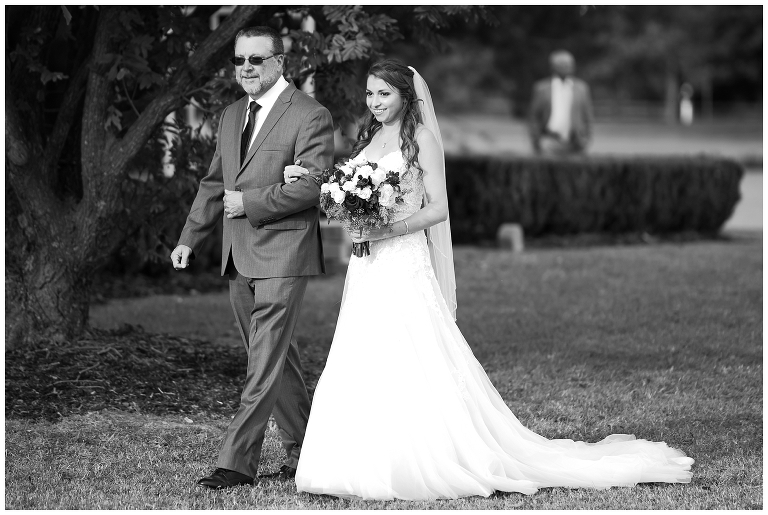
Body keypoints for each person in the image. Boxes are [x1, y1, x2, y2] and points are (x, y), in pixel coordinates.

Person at [282, 59, 693, 501]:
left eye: (384, 93)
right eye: (369, 94)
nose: (375, 102)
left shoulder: (420, 138)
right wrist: (335, 201)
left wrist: (386, 229)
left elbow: (438, 208)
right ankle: (350, 459)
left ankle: (418, 457)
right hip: (368, 265)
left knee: (409, 349)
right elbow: (353, 192)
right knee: (362, 346)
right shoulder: (370, 136)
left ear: (406, 94)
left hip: (402, 258)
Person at [169, 26, 334, 489]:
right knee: (277, 358)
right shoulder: (230, 115)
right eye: (239, 60)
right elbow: (213, 183)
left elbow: (314, 184)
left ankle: (236, 464)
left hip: (284, 250)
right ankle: (306, 451)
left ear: (280, 62)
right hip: (236, 256)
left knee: (262, 360)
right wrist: (189, 238)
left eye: (256, 60)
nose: (246, 68)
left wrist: (252, 203)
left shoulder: (309, 114)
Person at [529, 50, 594, 156]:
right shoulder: (541, 88)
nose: (568, 67)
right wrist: (536, 140)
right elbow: (534, 116)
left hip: (575, 142)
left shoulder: (582, 88)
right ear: (553, 67)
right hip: (548, 141)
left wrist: (587, 139)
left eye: (570, 64)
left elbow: (588, 116)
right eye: (563, 64)